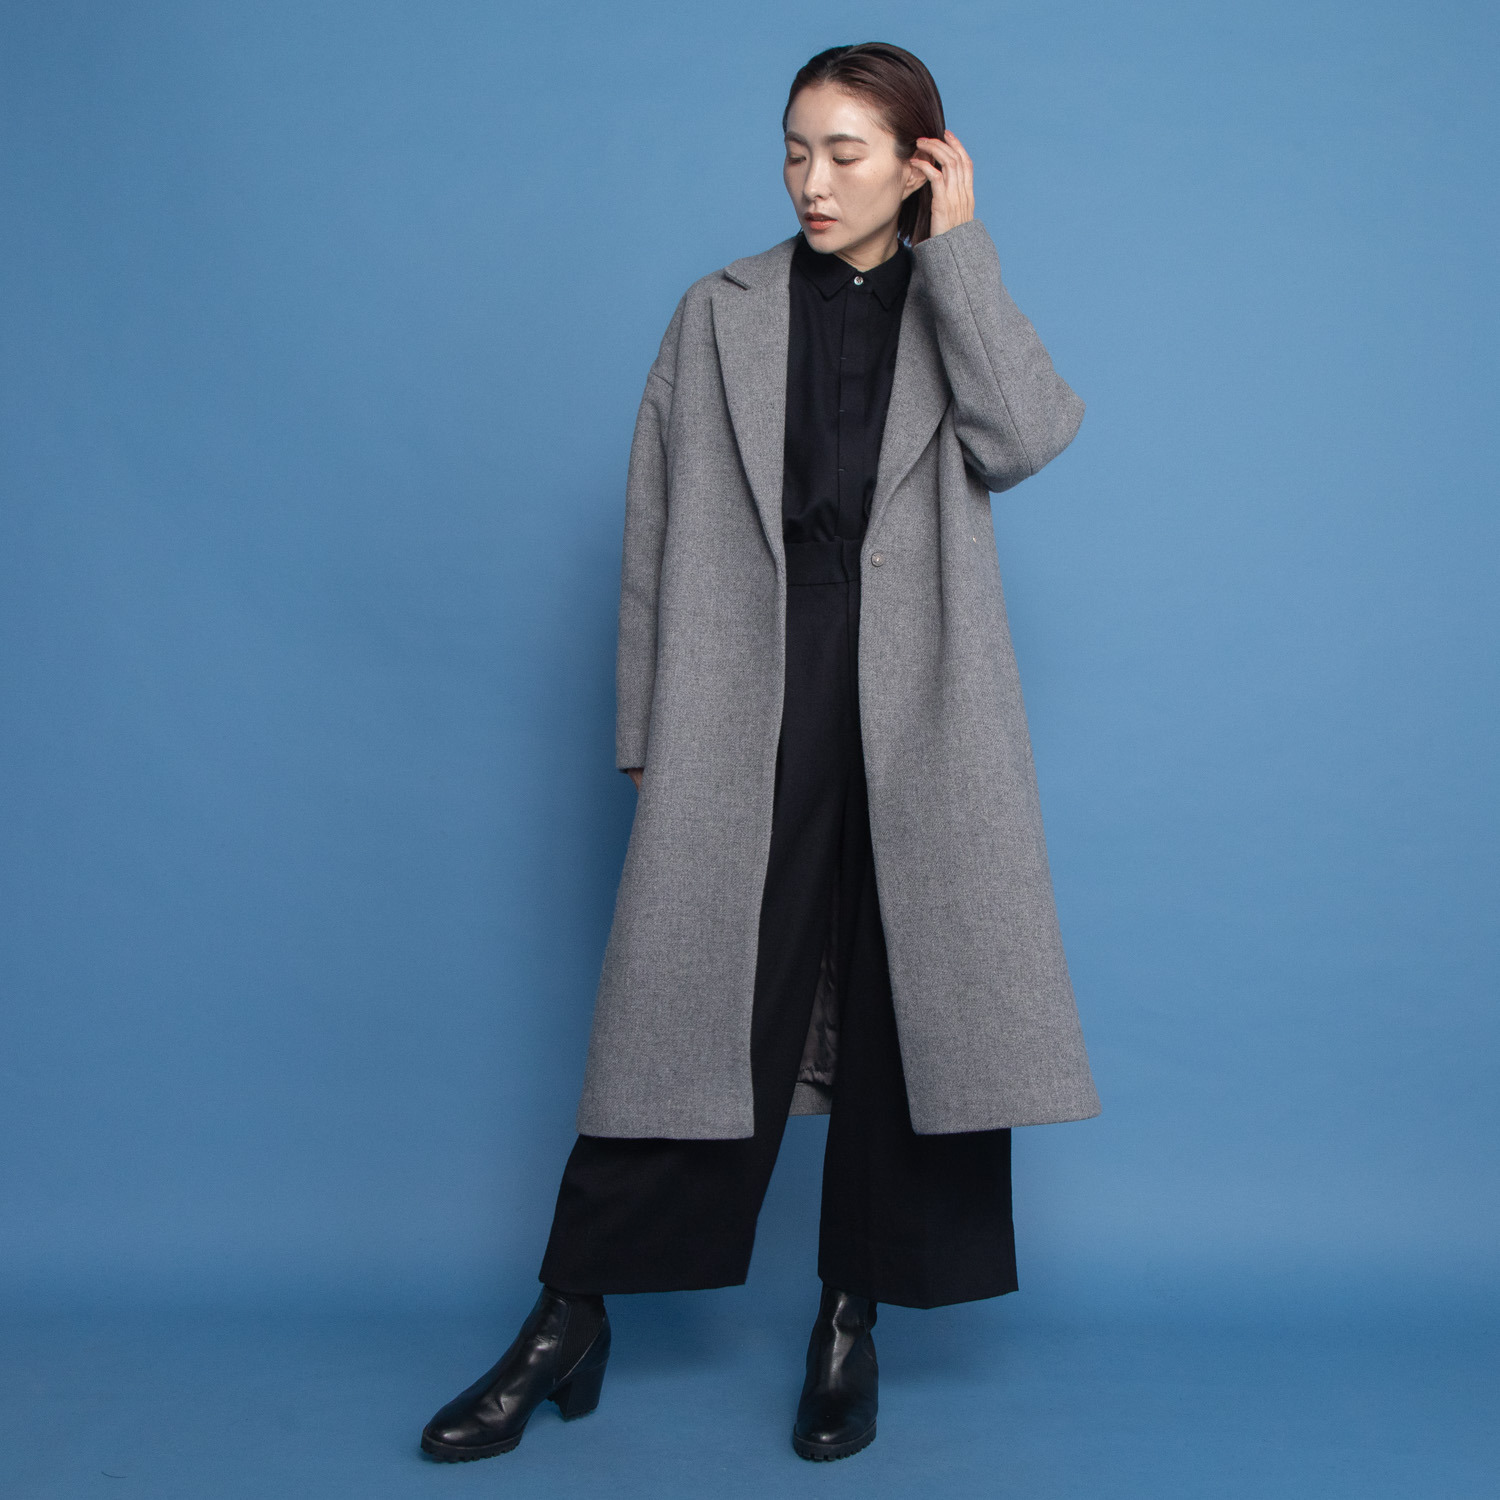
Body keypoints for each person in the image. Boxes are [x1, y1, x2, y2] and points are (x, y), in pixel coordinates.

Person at [420, 41, 1099, 1465]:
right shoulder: (717, 310)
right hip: (746, 700)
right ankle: (568, 1318)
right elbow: (655, 526)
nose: (811, 180)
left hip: (921, 711)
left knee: (914, 1018)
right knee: (693, 1011)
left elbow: (1030, 437)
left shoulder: (952, 303)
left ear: (921, 165)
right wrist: (644, 726)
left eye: (846, 153)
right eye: (796, 149)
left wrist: (962, 256)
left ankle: (852, 1321)